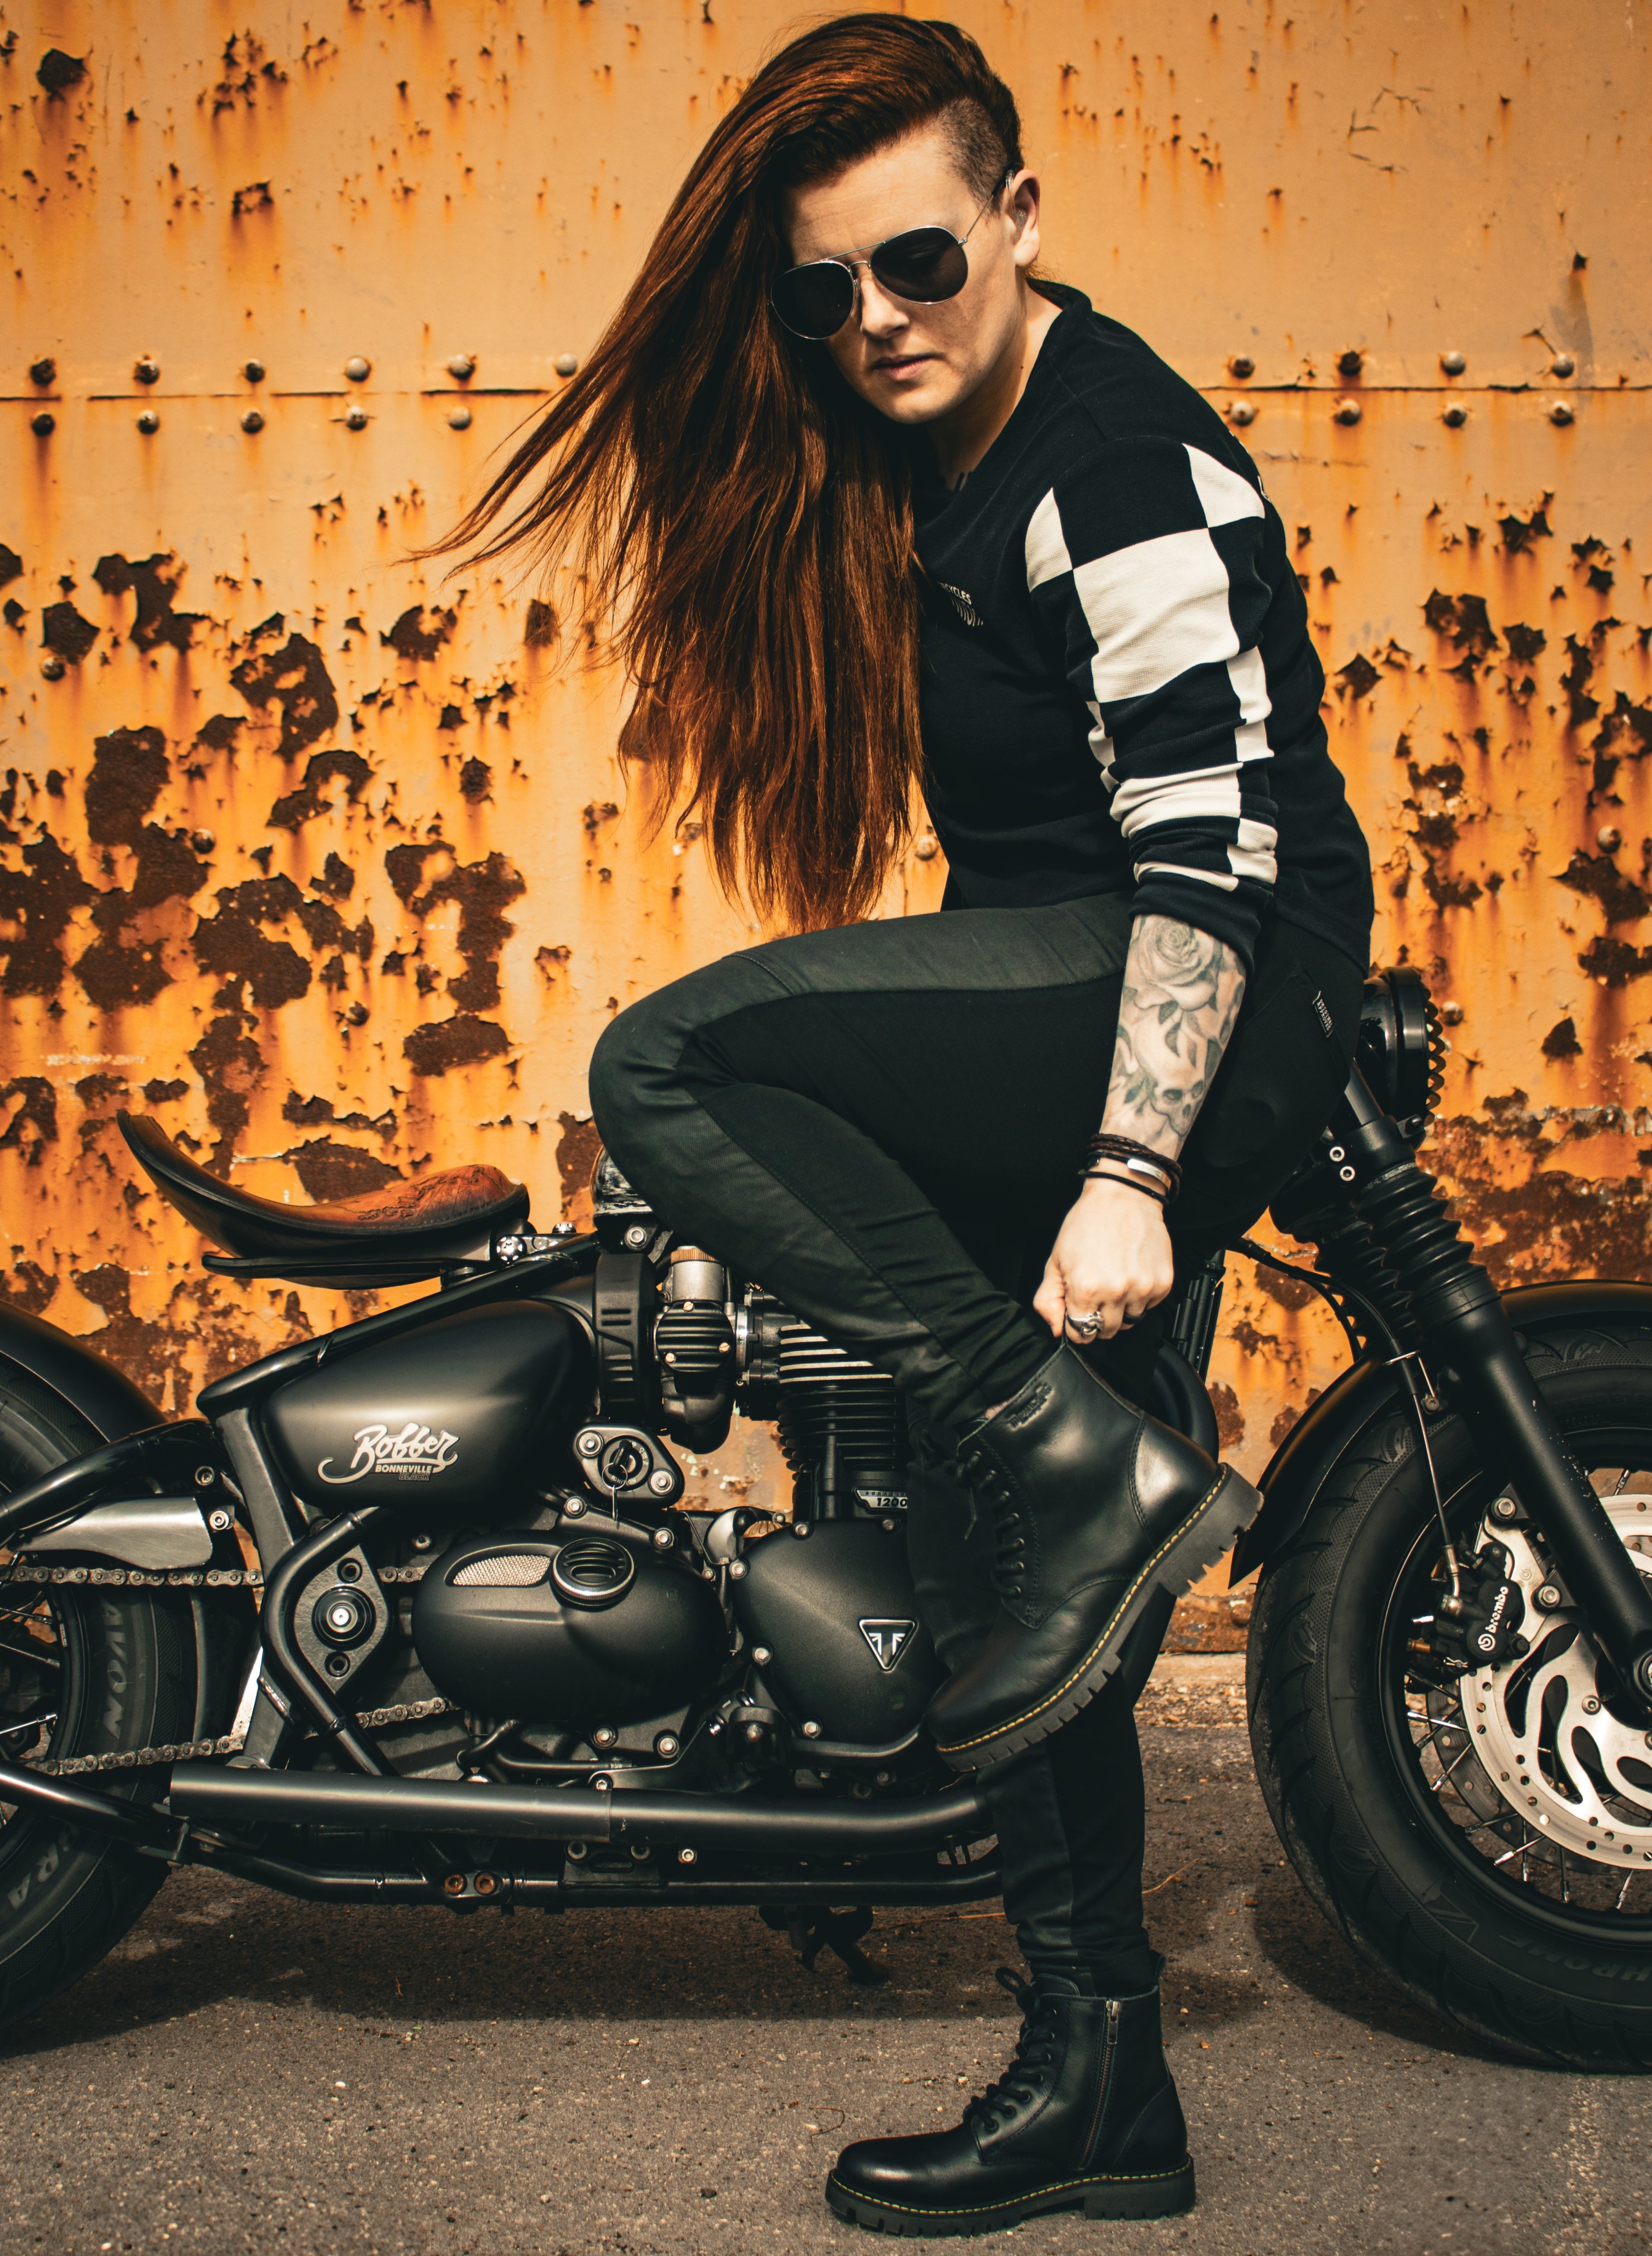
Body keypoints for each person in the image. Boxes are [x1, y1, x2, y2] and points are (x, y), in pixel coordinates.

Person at [425, 14, 1372, 2233]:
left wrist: (1125, 1177)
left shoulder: (1112, 463)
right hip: (1085, 973)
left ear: (1018, 222)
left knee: (670, 1065)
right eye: (819, 290)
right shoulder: (942, 464)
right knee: (1011, 1586)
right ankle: (1100, 2081)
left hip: (1197, 987)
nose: (871, 321)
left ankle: (1072, 1448)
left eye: (918, 263)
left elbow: (1206, 860)